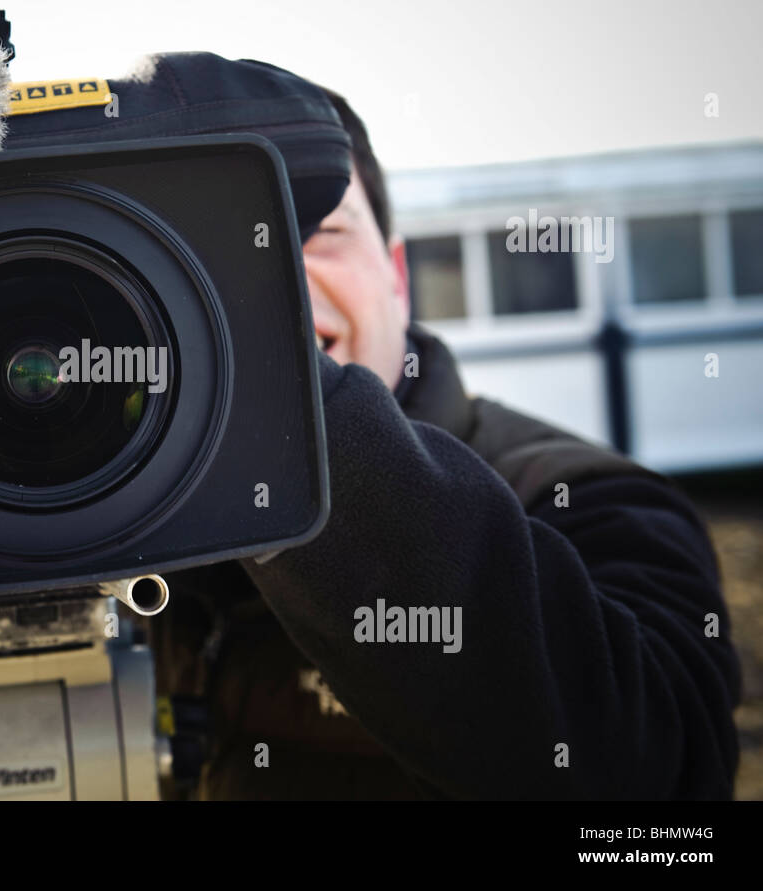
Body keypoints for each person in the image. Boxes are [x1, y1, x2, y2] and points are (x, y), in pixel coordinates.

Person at [151, 91, 742, 800]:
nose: (265, 284)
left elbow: (664, 782)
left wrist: (280, 426)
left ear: (397, 274)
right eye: (200, 255)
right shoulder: (123, 514)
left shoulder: (585, 496)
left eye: (316, 233)